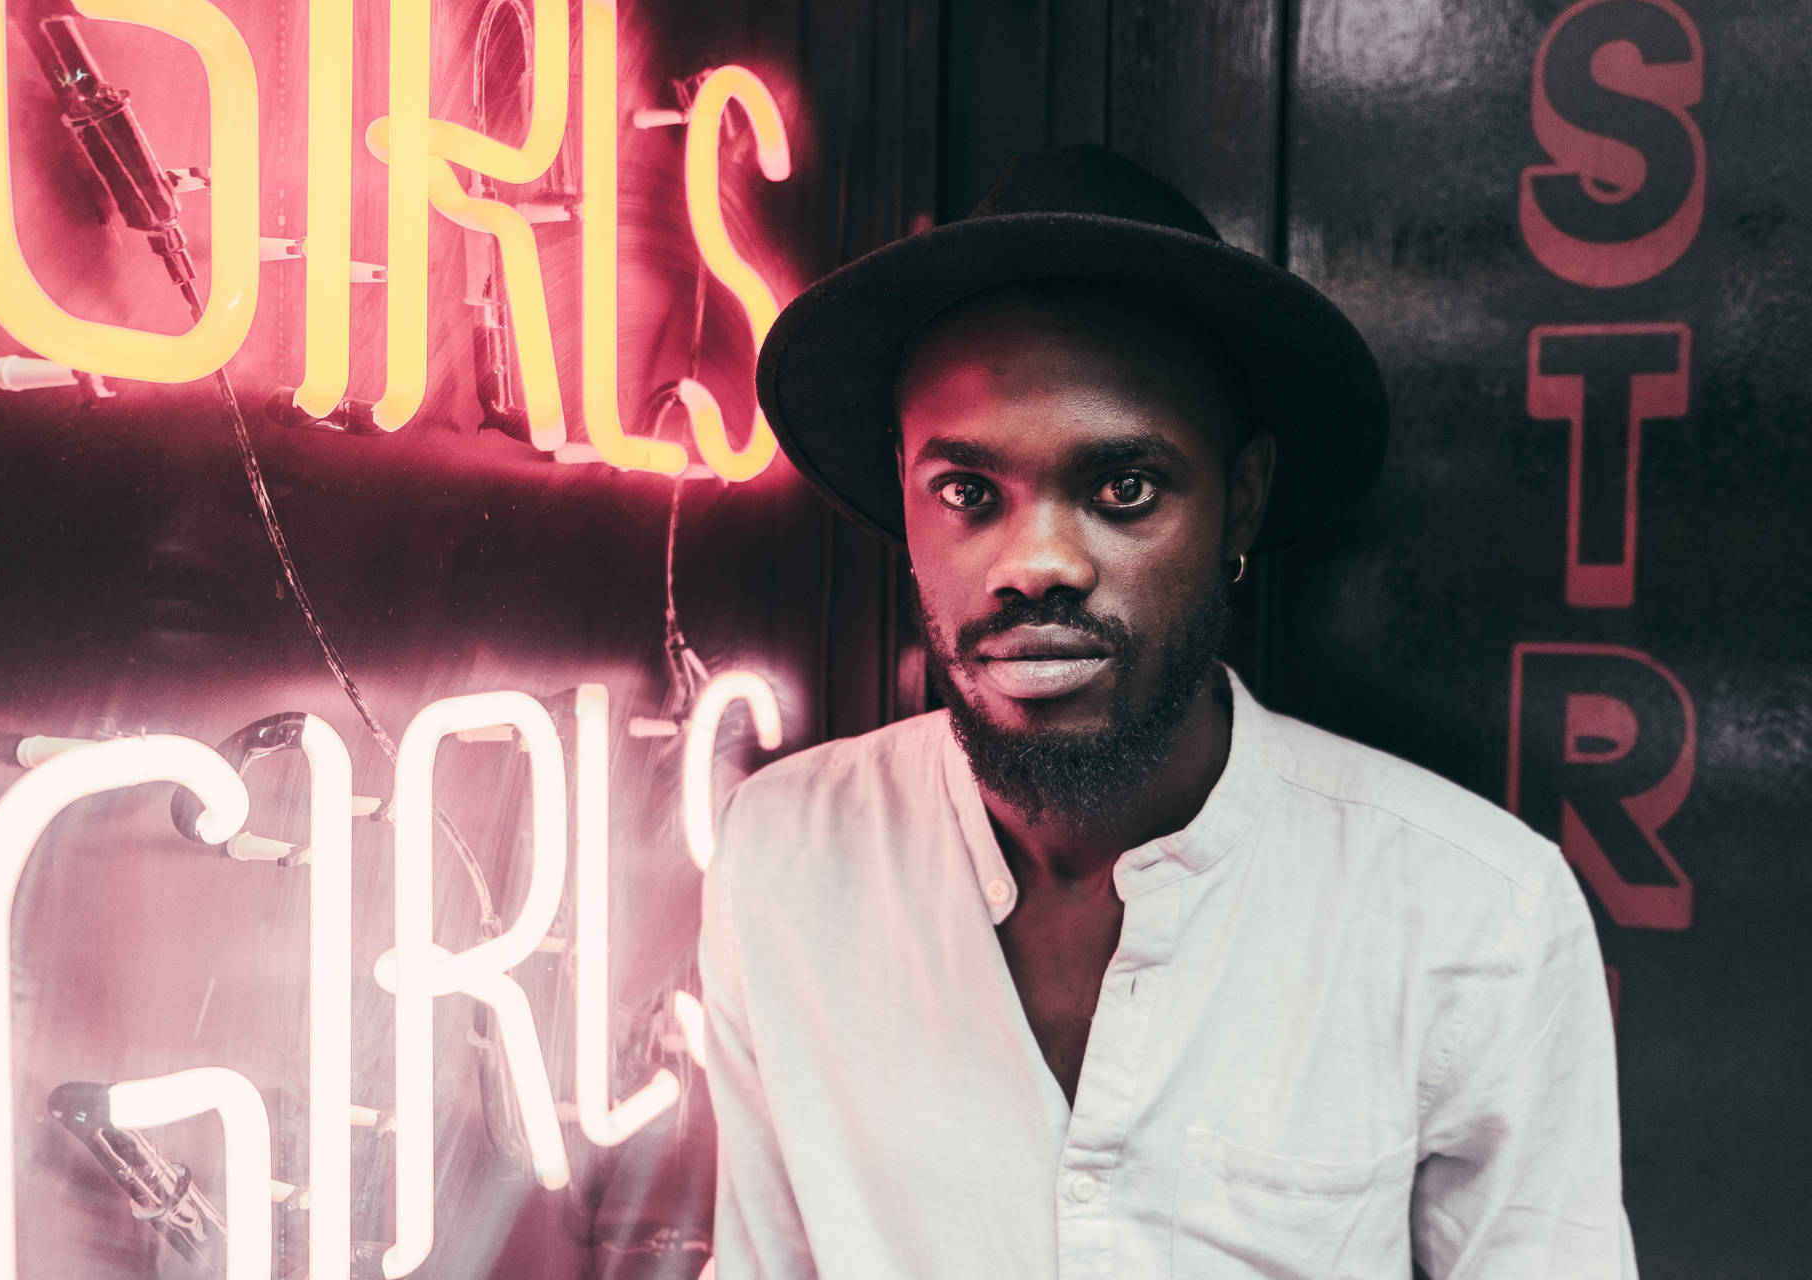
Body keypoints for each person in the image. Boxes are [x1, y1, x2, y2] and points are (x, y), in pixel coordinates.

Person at [699, 145, 1634, 1278]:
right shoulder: (785, 852)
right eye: (967, 492)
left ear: (1239, 502)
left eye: (1122, 487)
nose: (1036, 564)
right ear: (906, 493)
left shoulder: (1474, 913)